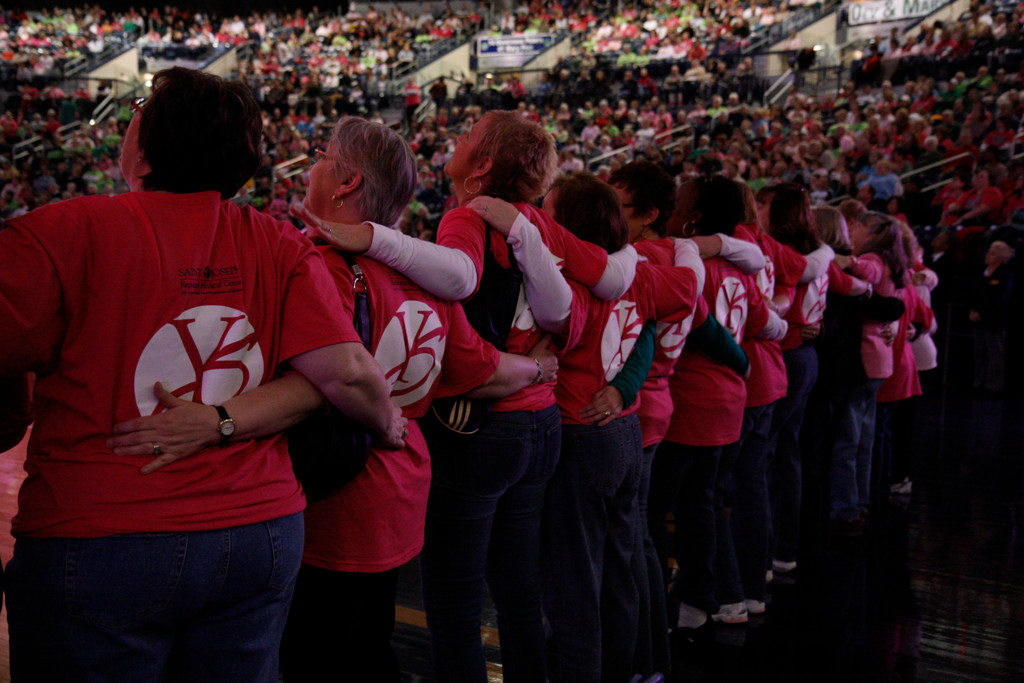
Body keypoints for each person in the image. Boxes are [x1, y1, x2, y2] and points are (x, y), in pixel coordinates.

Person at [0, 68, 405, 682]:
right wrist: (381, 421)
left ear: (145, 147)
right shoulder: (279, 244)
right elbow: (344, 374)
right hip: (258, 534)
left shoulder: (57, 233)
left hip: (102, 533)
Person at [314, 110, 638, 682]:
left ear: (482, 165)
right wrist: (539, 366)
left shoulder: (467, 217)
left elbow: (461, 317)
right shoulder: (539, 223)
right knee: (519, 594)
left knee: (455, 604)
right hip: (543, 422)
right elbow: (584, 308)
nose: (455, 138)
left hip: (484, 426)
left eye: (467, 136)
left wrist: (373, 237)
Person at [969, 241, 1014, 394]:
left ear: (1001, 257)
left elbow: (1000, 297)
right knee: (979, 353)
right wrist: (973, 310)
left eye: (992, 253)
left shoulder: (1005, 274)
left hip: (994, 320)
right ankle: (978, 383)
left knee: (995, 354)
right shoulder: (982, 272)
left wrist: (982, 312)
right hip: (978, 319)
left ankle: (993, 386)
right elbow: (976, 294)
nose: (988, 255)